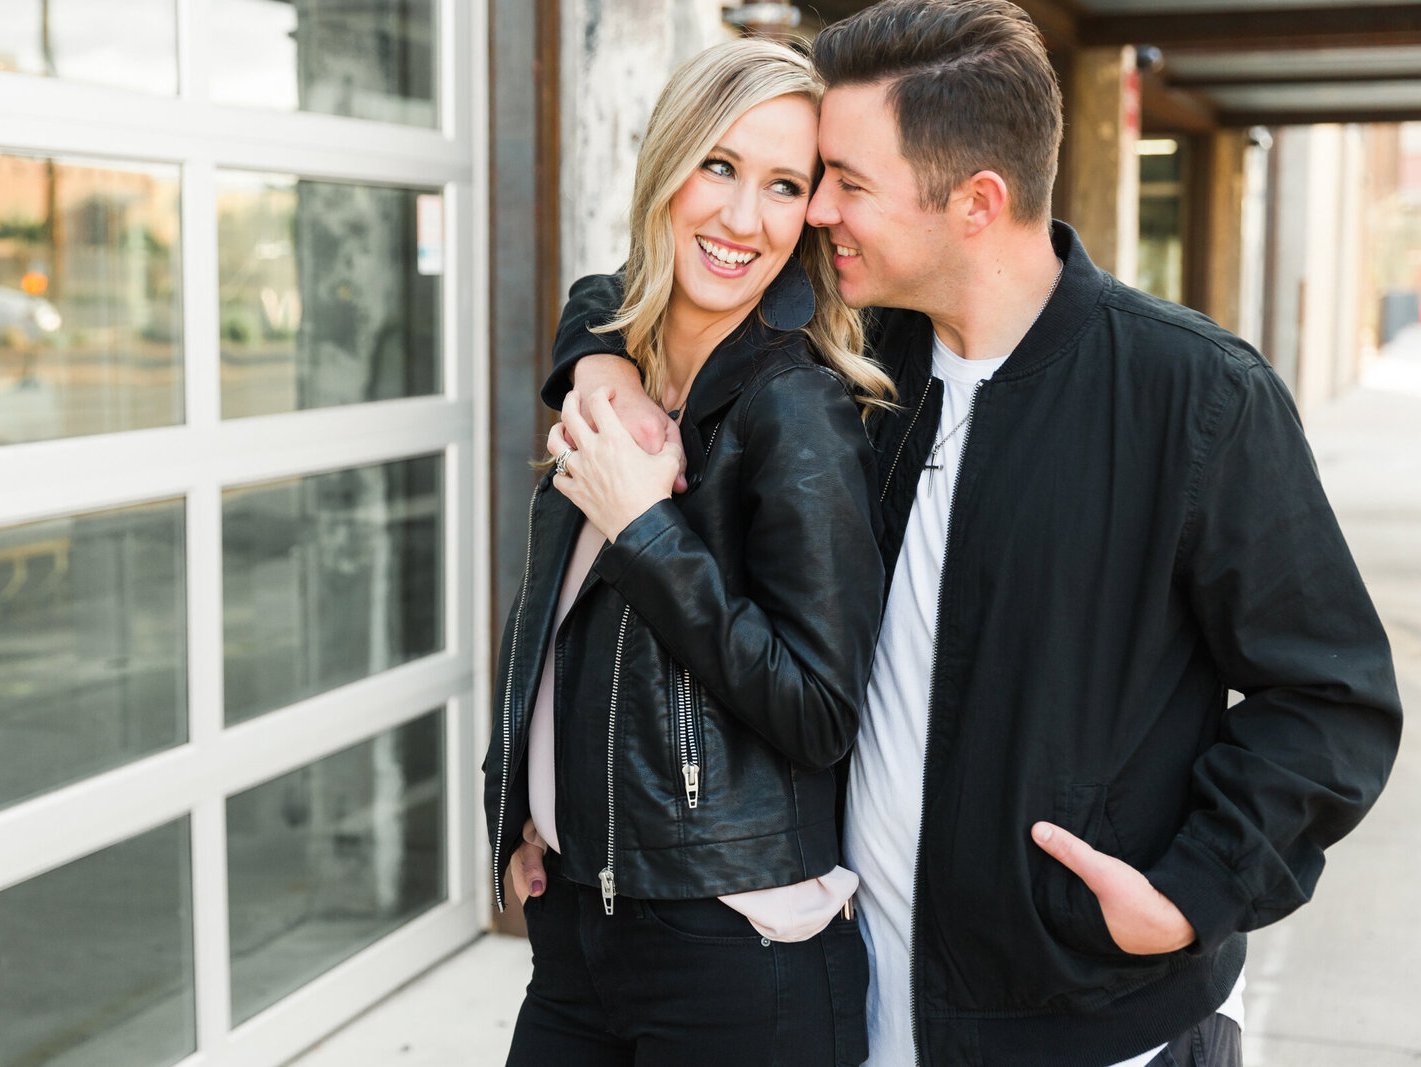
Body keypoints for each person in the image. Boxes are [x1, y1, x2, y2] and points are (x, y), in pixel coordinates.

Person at [524, 3, 1404, 1066]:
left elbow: (1329, 698)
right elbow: (659, 277)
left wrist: (1187, 894)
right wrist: (598, 362)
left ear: (976, 202)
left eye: (844, 183)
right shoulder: (861, 354)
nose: (813, 216)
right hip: (864, 994)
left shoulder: (1192, 397)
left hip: (1083, 1023)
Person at [483, 37, 895, 1066]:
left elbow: (819, 708)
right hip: (584, 927)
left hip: (736, 952)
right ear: (667, 165)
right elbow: (566, 628)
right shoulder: (618, 360)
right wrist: (530, 811)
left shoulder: (795, 407)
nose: (741, 217)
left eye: (782, 184)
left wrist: (646, 531)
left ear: (810, 212)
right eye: (718, 164)